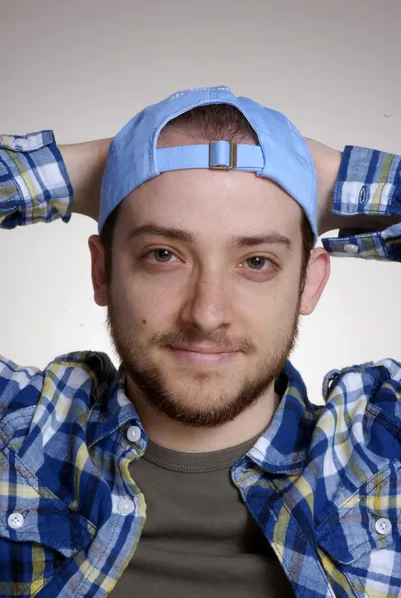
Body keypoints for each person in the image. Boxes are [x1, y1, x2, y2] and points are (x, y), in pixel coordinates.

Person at [0, 86, 400, 598]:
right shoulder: (21, 439)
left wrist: (335, 182)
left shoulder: (383, 453)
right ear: (103, 271)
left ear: (309, 281)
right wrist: (91, 168)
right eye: (164, 254)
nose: (207, 315)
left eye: (257, 261)